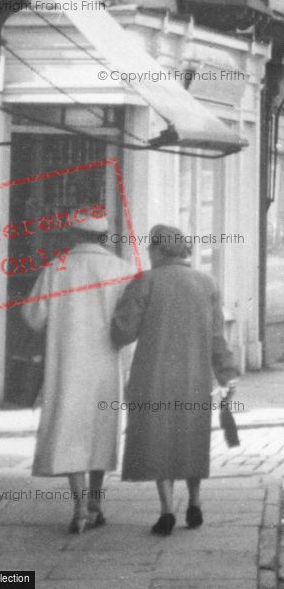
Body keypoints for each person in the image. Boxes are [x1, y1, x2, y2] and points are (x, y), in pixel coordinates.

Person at [111, 224, 238, 536]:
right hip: (195, 378)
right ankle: (194, 502)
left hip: (153, 377)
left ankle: (167, 510)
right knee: (191, 440)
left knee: (159, 442)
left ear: (157, 250)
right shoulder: (206, 282)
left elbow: (123, 332)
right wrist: (227, 374)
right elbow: (216, 338)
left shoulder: (146, 281)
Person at [22, 213, 132, 534]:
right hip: (105, 365)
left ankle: (80, 508)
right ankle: (97, 503)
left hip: (67, 365)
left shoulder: (56, 268)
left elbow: (33, 316)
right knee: (100, 431)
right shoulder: (122, 270)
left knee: (71, 433)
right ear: (104, 236)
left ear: (72, 234)